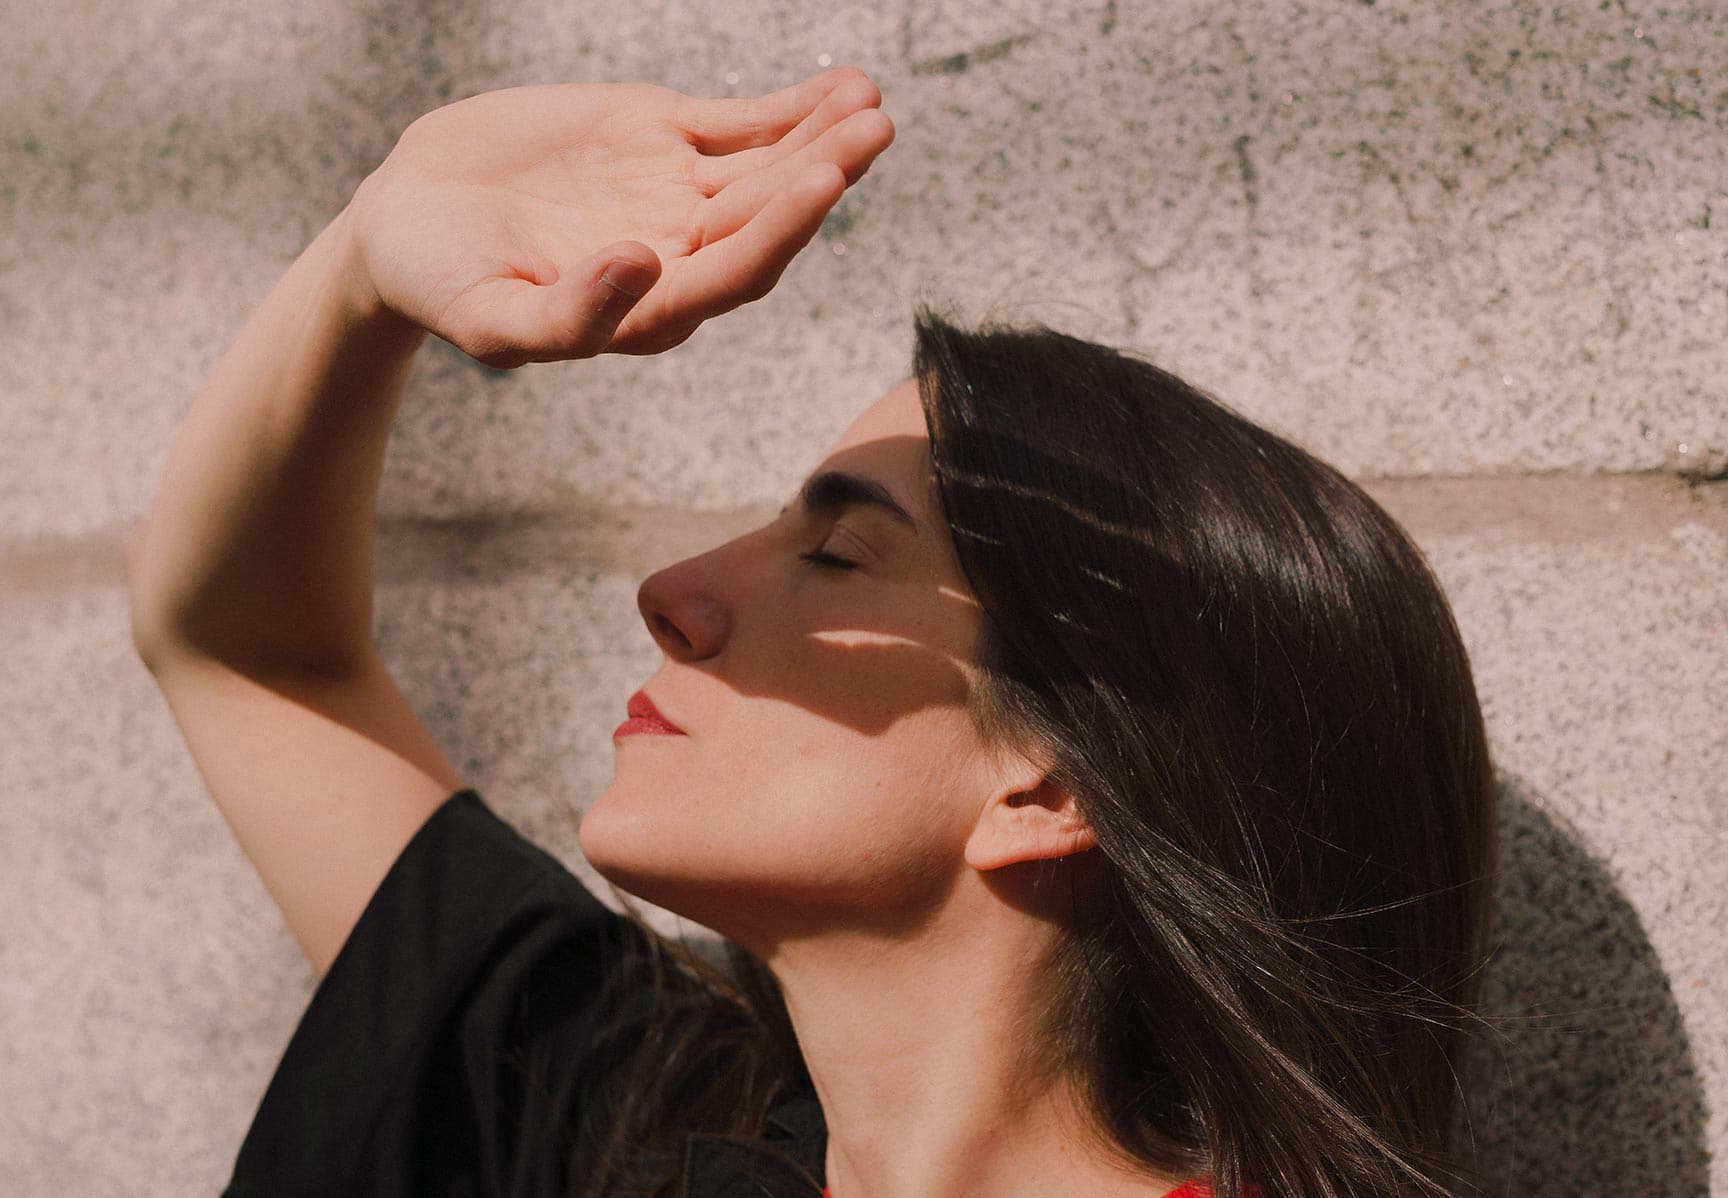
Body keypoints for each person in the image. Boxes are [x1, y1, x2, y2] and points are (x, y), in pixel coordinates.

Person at [128, 66, 1496, 1198]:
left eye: (835, 556)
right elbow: (250, 653)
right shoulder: (620, 1124)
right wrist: (367, 258)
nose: (673, 590)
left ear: (1051, 785)